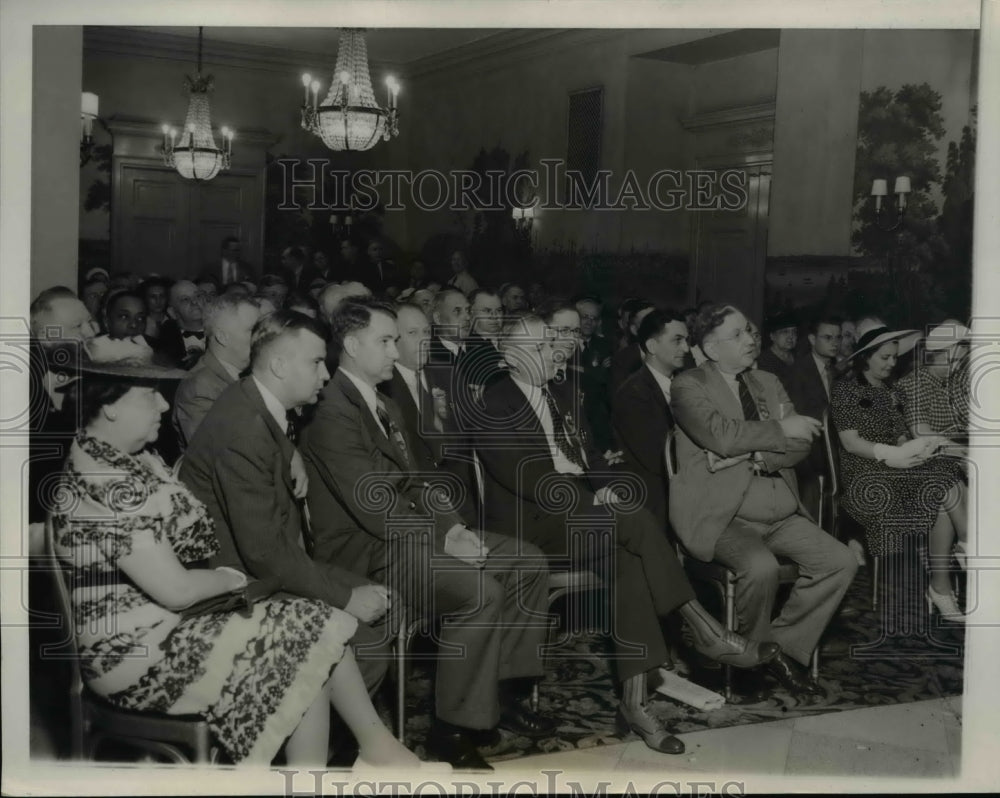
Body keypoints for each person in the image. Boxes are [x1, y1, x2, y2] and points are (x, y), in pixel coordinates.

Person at [51, 359, 420, 768]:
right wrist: (229, 578)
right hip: (129, 655)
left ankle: (364, 753)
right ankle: (340, 763)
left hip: (160, 628)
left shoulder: (121, 461)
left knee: (312, 622)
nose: (163, 405)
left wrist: (287, 454)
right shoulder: (106, 479)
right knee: (305, 630)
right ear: (110, 407)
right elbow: (176, 590)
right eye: (148, 395)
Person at [476, 314, 779, 755]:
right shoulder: (494, 402)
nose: (549, 354)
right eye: (536, 348)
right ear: (508, 357)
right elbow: (529, 481)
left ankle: (636, 705)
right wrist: (594, 502)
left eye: (549, 345)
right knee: (636, 520)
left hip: (581, 518)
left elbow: (589, 457)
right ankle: (706, 631)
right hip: (531, 523)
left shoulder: (561, 393)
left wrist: (607, 488)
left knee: (630, 565)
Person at [300, 299, 555, 771]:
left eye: (397, 340)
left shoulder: (385, 403)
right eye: (386, 340)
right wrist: (444, 541)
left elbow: (418, 481)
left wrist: (455, 527)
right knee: (477, 592)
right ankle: (452, 729)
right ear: (352, 345)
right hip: (366, 552)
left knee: (527, 563)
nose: (396, 352)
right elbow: (372, 504)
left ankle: (500, 696)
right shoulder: (331, 411)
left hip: (408, 538)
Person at [180, 311, 392, 694]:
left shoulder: (249, 397)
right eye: (315, 363)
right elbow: (263, 552)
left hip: (267, 566)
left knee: (388, 603)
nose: (326, 376)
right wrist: (345, 599)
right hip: (240, 589)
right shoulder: (242, 430)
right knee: (369, 644)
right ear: (278, 365)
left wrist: (290, 452)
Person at [670, 303, 857, 696]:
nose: (751, 339)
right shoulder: (688, 385)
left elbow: (802, 442)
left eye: (750, 331)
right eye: (737, 334)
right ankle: (748, 654)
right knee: (760, 567)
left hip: (780, 510)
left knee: (840, 561)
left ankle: (778, 650)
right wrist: (778, 429)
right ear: (710, 347)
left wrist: (753, 452)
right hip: (724, 514)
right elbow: (720, 434)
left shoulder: (769, 382)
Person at [830, 319, 968, 619]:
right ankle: (964, 550)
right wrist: (892, 453)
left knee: (943, 485)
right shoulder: (844, 391)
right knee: (944, 481)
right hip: (864, 479)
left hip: (898, 471)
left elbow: (902, 435)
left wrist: (916, 449)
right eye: (885, 357)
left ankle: (942, 587)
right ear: (865, 357)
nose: (892, 363)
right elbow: (851, 444)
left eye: (895, 357)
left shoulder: (892, 392)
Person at [28, 287, 100, 527]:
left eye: (90, 322)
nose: (90, 333)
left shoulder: (86, 371)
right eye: (76, 327)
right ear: (46, 336)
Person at [612, 309, 690, 532]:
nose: (686, 348)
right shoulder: (633, 394)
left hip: (681, 491)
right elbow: (660, 458)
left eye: (686, 340)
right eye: (677, 340)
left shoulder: (685, 386)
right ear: (652, 346)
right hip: (655, 502)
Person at [173, 294, 261, 450]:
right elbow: (217, 457)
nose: (262, 337)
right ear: (222, 337)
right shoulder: (199, 388)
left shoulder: (250, 374)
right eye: (253, 330)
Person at [786, 315, 843, 518]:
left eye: (838, 337)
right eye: (828, 337)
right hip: (810, 454)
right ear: (811, 339)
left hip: (834, 452)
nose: (835, 343)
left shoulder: (839, 372)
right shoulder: (797, 372)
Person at [897, 320, 971, 453]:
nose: (957, 367)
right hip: (930, 457)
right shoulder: (913, 384)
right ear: (933, 356)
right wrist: (967, 452)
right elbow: (922, 434)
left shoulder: (961, 379)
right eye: (951, 361)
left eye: (960, 361)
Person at [573, 296, 615, 454]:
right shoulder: (565, 343)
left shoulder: (605, 345)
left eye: (594, 318)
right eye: (584, 317)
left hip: (597, 417)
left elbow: (607, 382)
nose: (589, 322)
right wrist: (596, 372)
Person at [88, 289, 156, 364]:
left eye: (140, 318)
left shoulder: (146, 346)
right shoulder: (96, 347)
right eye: (124, 317)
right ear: (106, 322)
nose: (134, 325)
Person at [158, 281, 208, 369]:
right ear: (172, 312)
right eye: (185, 299)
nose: (194, 302)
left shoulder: (221, 329)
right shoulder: (166, 337)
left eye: (198, 296)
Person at [609, 300, 655, 393]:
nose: (655, 327)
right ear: (634, 330)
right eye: (647, 323)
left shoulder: (677, 352)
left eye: (657, 321)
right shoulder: (621, 362)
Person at [757, 311, 798, 388]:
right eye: (785, 332)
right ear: (772, 336)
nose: (790, 337)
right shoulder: (763, 361)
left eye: (794, 332)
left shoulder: (799, 357)